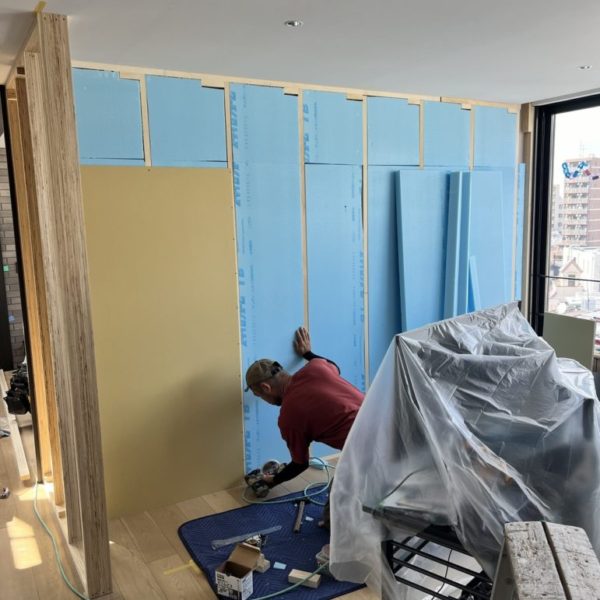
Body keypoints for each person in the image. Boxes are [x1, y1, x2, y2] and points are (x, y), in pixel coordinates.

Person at [245, 327, 365, 527]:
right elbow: (333, 365)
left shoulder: (289, 417)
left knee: (333, 520)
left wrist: (272, 481)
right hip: (392, 421)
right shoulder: (316, 366)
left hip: (369, 452)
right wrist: (308, 353)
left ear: (266, 388)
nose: (264, 400)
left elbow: (300, 464)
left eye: (260, 396)